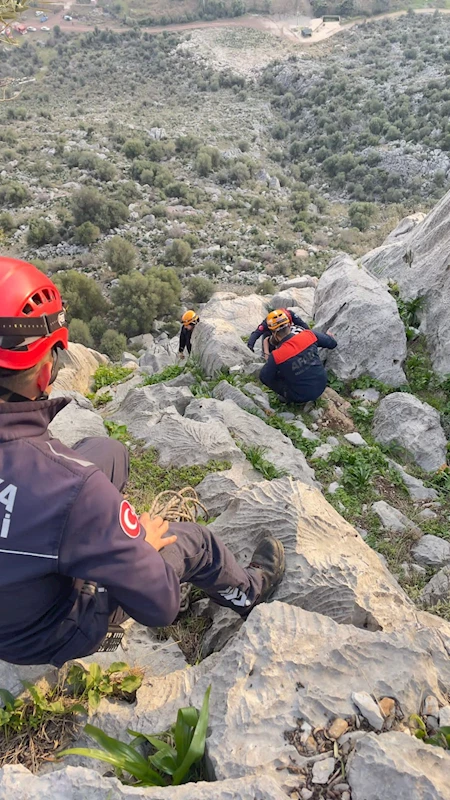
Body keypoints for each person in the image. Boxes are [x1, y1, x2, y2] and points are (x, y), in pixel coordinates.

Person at [0, 257, 285, 668]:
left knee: (107, 451)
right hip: (45, 634)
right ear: (46, 371)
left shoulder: (68, 483)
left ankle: (99, 542)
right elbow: (160, 606)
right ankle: (250, 591)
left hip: (17, 591)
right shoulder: (72, 487)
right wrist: (144, 548)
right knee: (194, 543)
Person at [259, 309, 337, 404]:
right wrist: (329, 336)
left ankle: (286, 396)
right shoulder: (309, 335)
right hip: (321, 385)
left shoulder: (276, 356)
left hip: (299, 396)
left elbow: (264, 377)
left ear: (274, 333)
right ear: (289, 325)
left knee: (275, 372)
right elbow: (332, 343)